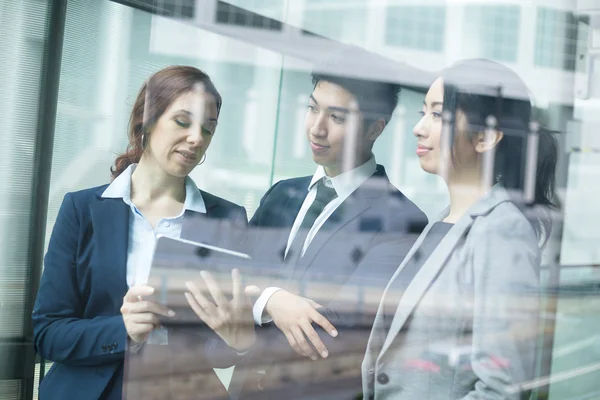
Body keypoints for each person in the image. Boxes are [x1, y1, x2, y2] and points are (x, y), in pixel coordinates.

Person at [32, 65, 254, 400]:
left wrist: (238, 342)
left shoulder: (227, 219)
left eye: (208, 129)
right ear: (147, 121)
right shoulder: (81, 209)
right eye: (183, 121)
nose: (196, 138)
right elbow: (48, 333)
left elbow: (216, 347)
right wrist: (124, 330)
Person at [224, 66, 428, 398]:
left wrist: (250, 306)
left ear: (375, 128)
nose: (316, 129)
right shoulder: (280, 195)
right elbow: (226, 280)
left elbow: (337, 334)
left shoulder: (403, 221)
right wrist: (271, 300)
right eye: (312, 108)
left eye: (337, 117)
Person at [361, 59, 560, 399]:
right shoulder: (443, 222)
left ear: (484, 137)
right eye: (424, 112)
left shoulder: (501, 230)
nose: (419, 128)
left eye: (438, 115)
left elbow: (501, 387)